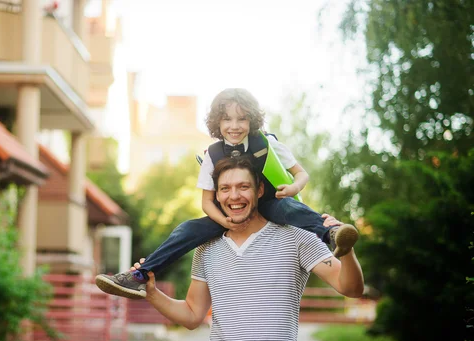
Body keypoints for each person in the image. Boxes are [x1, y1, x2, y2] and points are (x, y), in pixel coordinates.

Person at [136, 155, 365, 341]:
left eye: (243, 187)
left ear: (259, 190)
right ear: (216, 194)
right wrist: (151, 293)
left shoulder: (297, 237)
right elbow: (193, 315)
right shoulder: (206, 247)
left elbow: (350, 288)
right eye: (225, 188)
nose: (233, 196)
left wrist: (347, 249)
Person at [96, 88, 359, 299]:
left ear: (252, 120)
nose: (234, 126)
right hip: (225, 213)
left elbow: (302, 173)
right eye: (227, 119)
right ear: (217, 122)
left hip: (269, 203)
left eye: (242, 118)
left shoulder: (267, 143)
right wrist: (225, 222)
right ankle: (140, 276)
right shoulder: (212, 154)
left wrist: (293, 188)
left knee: (292, 209)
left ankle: (333, 235)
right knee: (186, 230)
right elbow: (207, 202)